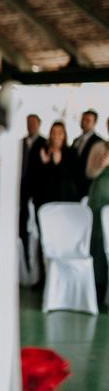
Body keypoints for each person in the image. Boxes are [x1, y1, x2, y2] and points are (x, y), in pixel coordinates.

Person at [86, 117, 109, 303]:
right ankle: (97, 285)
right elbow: (89, 173)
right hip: (99, 197)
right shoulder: (98, 147)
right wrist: (102, 166)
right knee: (97, 242)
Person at [19, 114, 46, 262]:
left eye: (34, 122)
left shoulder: (44, 142)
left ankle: (39, 266)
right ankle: (25, 262)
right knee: (22, 224)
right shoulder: (21, 142)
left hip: (38, 190)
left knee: (40, 226)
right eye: (28, 122)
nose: (31, 125)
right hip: (22, 189)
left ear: (39, 124)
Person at [72, 109, 102, 199]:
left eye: (88, 120)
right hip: (73, 185)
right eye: (83, 119)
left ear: (95, 122)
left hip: (88, 187)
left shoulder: (99, 142)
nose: (84, 122)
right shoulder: (76, 140)